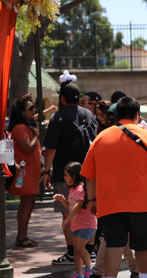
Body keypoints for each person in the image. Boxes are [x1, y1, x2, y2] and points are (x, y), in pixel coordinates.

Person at [81, 96, 147, 278]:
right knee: (143, 245)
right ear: (137, 115)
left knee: (113, 244)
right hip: (142, 202)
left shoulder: (101, 138)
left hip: (109, 202)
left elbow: (89, 175)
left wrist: (92, 199)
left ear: (116, 115)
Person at [43, 72, 97, 265]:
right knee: (89, 211)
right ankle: (89, 251)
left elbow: (50, 149)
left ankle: (71, 253)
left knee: (68, 214)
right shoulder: (89, 115)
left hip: (64, 174)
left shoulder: (57, 118)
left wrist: (46, 170)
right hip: (88, 173)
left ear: (63, 98)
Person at [54, 162, 97, 278]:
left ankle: (88, 268)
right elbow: (71, 206)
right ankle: (78, 274)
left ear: (74, 176)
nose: (64, 178)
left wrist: (67, 219)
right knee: (76, 251)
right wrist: (63, 200)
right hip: (77, 224)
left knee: (79, 248)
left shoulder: (80, 189)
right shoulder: (72, 189)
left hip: (86, 224)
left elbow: (77, 207)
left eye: (67, 175)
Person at [8, 94, 42, 247]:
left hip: (30, 171)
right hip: (24, 172)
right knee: (27, 203)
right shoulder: (21, 128)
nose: (35, 109)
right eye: (31, 108)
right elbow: (27, 147)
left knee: (27, 203)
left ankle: (22, 235)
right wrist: (37, 135)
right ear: (22, 112)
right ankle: (22, 237)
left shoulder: (27, 126)